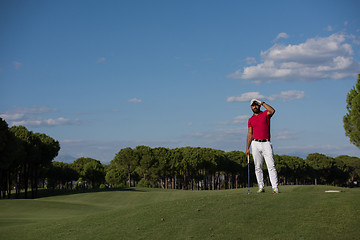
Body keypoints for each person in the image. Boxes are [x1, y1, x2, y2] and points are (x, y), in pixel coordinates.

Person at [245, 99, 279, 193]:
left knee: (271, 165)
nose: (255, 107)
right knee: (258, 167)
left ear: (259, 106)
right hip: (255, 144)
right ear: (251, 107)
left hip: (266, 143)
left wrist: (263, 103)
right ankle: (261, 187)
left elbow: (272, 111)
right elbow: (249, 134)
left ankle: (275, 187)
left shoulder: (265, 114)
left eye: (256, 105)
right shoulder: (250, 119)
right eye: (253, 105)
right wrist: (247, 148)